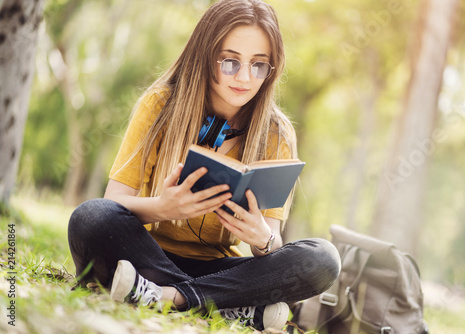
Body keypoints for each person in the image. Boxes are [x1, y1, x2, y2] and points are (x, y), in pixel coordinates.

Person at [68, 0, 340, 331]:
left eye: (258, 65)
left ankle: (168, 297)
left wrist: (262, 239)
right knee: (90, 217)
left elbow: (273, 241)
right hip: (144, 257)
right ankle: (226, 308)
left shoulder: (277, 133)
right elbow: (113, 203)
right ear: (205, 56)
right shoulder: (159, 106)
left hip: (221, 272)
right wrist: (162, 208)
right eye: (230, 62)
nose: (244, 77)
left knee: (323, 259)